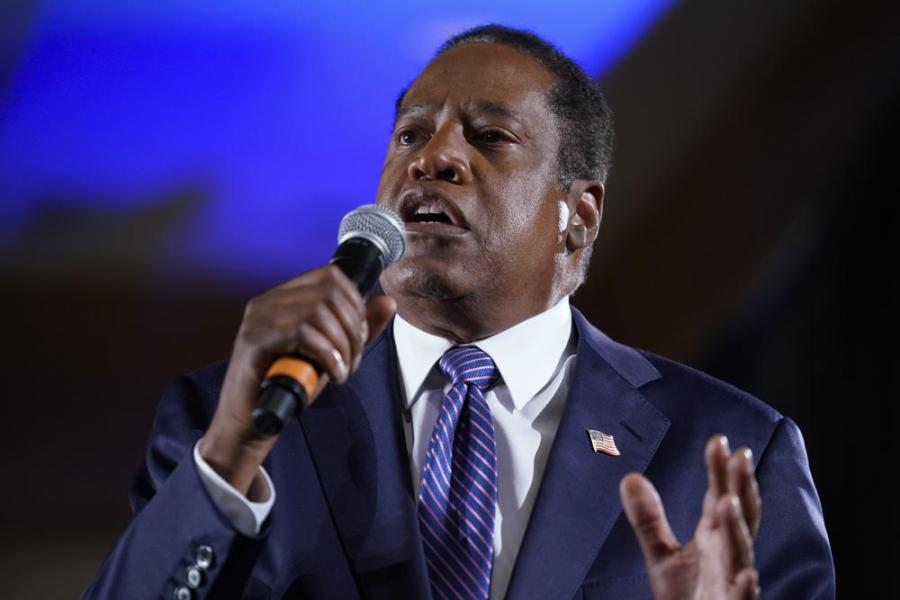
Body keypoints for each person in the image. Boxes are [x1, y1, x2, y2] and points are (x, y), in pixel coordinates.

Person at [86, 25, 834, 599]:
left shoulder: (729, 452)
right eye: (412, 133)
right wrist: (227, 459)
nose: (432, 157)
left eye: (489, 137)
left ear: (578, 214)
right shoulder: (228, 418)